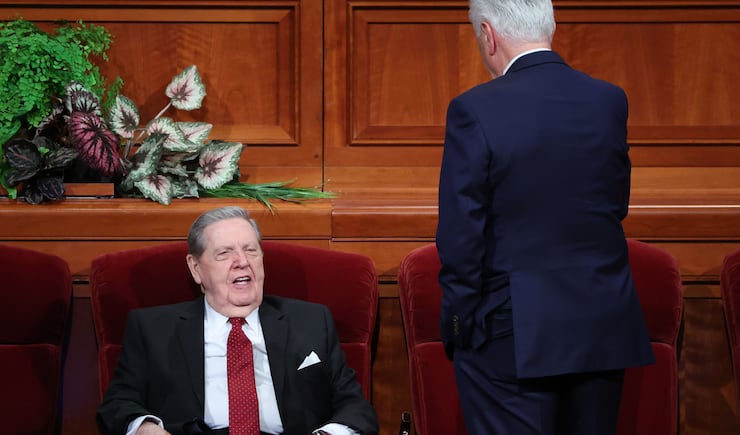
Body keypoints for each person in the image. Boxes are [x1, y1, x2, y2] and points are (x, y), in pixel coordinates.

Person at [435, 0, 655, 433]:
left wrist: (458, 327)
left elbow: (463, 237)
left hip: (511, 333)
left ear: (488, 33)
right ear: (549, 27)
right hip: (601, 327)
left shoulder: (474, 109)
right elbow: (616, 205)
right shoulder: (608, 100)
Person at [97, 206, 378, 435]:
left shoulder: (311, 321)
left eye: (251, 250)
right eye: (224, 253)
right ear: (196, 269)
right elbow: (118, 404)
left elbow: (355, 406)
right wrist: (146, 429)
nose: (241, 261)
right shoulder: (152, 328)